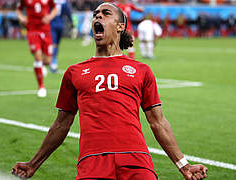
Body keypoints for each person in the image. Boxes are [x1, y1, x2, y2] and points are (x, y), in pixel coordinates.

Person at [12, 3, 208, 180]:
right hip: (92, 163)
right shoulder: (74, 72)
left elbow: (158, 122)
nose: (98, 17)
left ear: (120, 26)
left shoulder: (142, 71)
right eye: (95, 14)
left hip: (137, 161)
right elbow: (61, 125)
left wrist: (184, 165)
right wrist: (33, 164)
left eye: (105, 14)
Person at [16, 0, 57, 97]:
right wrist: (22, 18)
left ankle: (41, 66)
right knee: (38, 57)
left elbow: (55, 8)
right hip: (32, 31)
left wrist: (50, 17)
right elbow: (18, 10)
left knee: (48, 61)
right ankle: (41, 87)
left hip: (46, 31)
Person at [49, 0, 73, 73]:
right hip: (60, 24)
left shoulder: (51, 1)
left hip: (52, 24)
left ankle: (53, 62)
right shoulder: (64, 2)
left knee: (53, 44)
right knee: (56, 44)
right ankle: (53, 61)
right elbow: (68, 12)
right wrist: (71, 22)